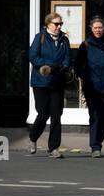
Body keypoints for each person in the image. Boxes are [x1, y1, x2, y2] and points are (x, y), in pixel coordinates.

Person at [75, 16, 104, 158]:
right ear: (91, 28)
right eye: (95, 28)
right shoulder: (86, 45)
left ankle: (98, 141)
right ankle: (95, 147)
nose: (98, 30)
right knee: (95, 116)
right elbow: (77, 65)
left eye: (100, 27)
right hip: (92, 88)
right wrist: (86, 78)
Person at [27, 13, 72, 158]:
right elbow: (33, 56)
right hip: (41, 82)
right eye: (56, 24)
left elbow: (67, 58)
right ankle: (33, 137)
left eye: (61, 24)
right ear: (48, 24)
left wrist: (63, 66)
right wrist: (47, 66)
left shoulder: (64, 40)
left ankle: (53, 148)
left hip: (57, 81)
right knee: (43, 113)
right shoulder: (40, 37)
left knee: (56, 115)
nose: (59, 27)